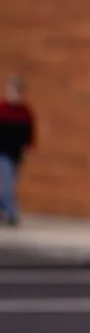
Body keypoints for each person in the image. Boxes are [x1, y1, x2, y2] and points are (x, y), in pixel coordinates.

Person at [0, 74, 34, 227]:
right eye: (11, 91)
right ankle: (12, 214)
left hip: (16, 154)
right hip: (2, 152)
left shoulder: (25, 112)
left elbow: (29, 132)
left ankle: (3, 209)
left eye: (17, 92)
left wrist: (29, 147)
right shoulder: (2, 109)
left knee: (11, 183)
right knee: (7, 184)